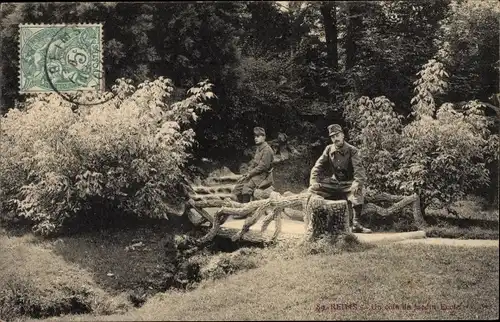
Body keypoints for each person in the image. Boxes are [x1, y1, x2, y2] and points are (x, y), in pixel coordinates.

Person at [308, 124, 372, 233]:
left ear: (342, 135)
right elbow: (317, 166)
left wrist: (357, 182)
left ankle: (356, 224)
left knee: (357, 190)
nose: (335, 139)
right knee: (312, 190)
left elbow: (359, 170)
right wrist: (314, 181)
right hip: (334, 182)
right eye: (332, 137)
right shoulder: (329, 149)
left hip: (348, 183)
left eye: (337, 135)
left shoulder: (352, 150)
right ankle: (312, 222)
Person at [232, 127, 275, 203]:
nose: (256, 138)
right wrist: (247, 172)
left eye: (258, 136)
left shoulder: (267, 150)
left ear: (264, 137)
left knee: (246, 188)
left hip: (263, 175)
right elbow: (254, 163)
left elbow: (262, 167)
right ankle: (237, 207)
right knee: (238, 187)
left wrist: (250, 173)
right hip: (255, 173)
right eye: (255, 136)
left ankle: (245, 209)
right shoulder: (259, 148)